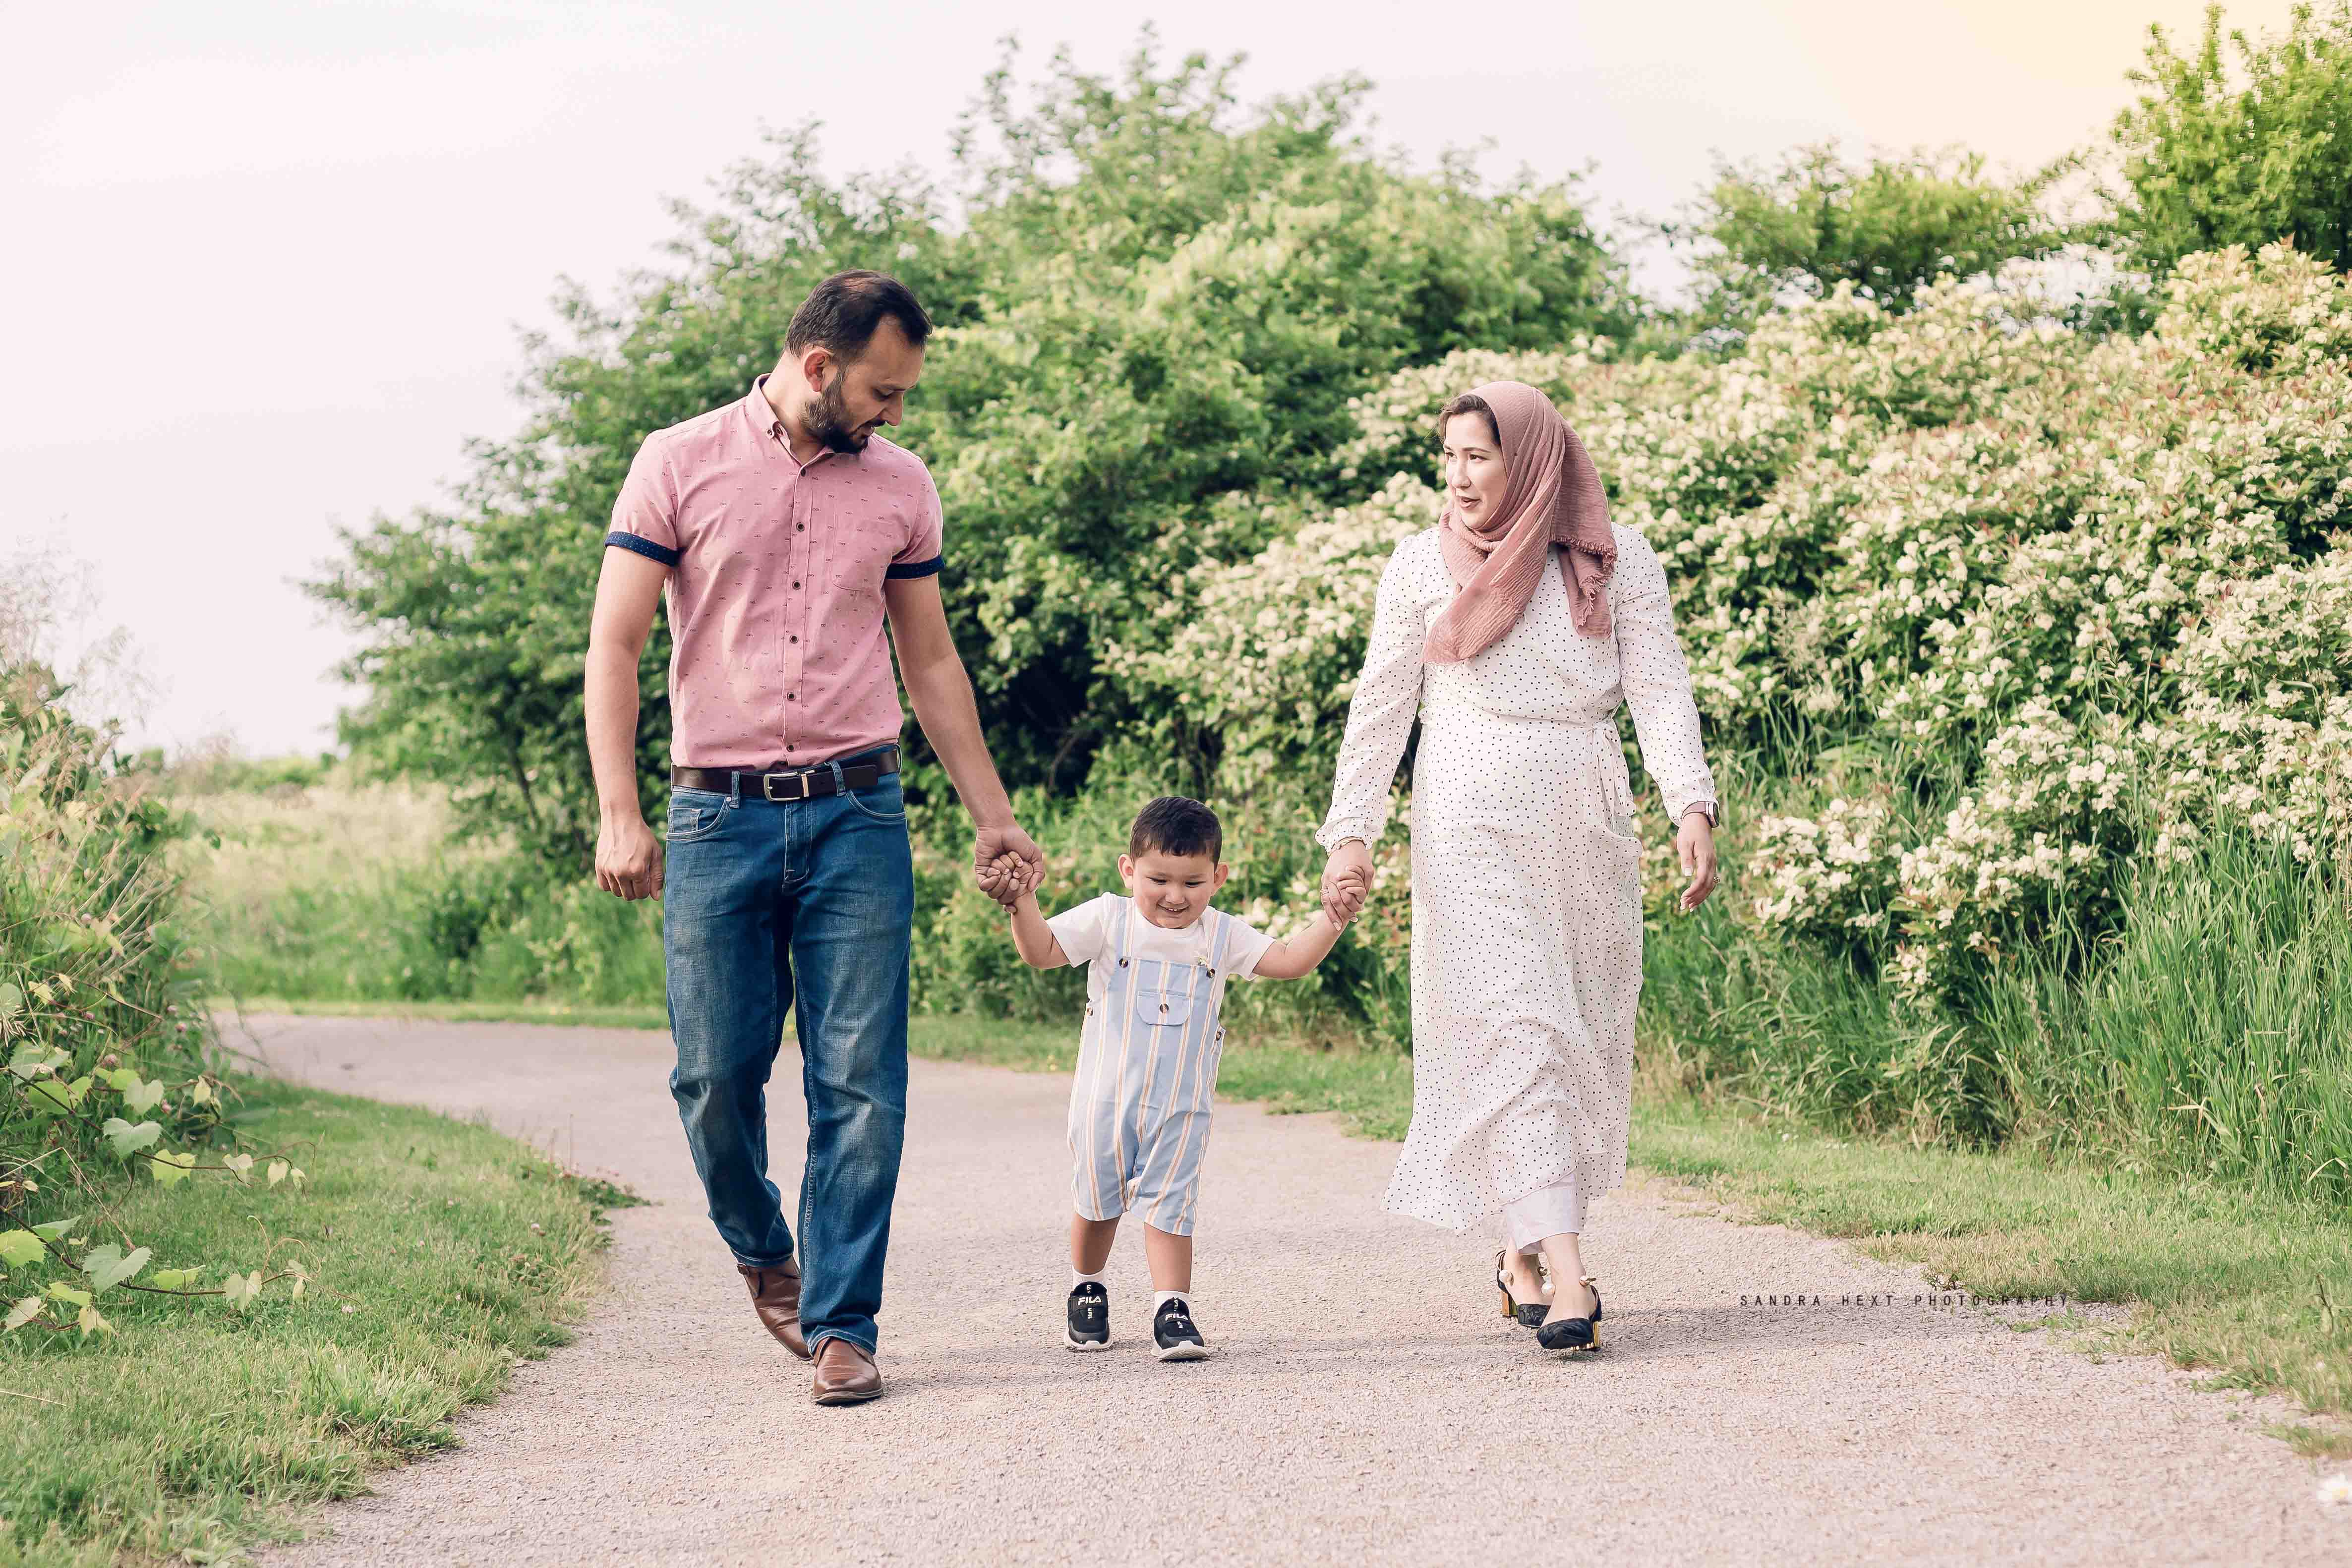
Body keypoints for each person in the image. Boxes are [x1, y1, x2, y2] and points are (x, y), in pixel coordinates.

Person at [584, 270, 1044, 1406]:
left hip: (857, 812)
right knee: (712, 1076)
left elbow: (929, 661)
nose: (898, 413)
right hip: (715, 815)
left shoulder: (902, 487)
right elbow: (616, 645)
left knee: (861, 1082)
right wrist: (618, 808)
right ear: (820, 366)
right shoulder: (676, 459)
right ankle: (757, 1241)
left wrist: (994, 814)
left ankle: (843, 1322)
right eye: (885, 391)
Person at [1315, 380, 1721, 1355]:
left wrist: (1689, 801)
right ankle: (1572, 1278)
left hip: (1582, 814)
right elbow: (1381, 708)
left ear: (1530, 459)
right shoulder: (1419, 565)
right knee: (1518, 1023)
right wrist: (1351, 830)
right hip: (1464, 815)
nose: (1457, 476)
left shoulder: (1611, 562)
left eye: (1478, 456)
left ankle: (1521, 1251)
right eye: (1448, 456)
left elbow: (1660, 692)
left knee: (1560, 1032)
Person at [1004, 796, 1348, 1361]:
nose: (1174, 895)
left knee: (1173, 1205)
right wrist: (1022, 901)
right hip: (1105, 1102)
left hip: (1181, 1106)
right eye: (1158, 878)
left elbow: (1289, 959)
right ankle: (1086, 1287)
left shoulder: (1220, 935)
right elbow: (1041, 951)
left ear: (1218, 877)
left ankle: (1173, 1307)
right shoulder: (1109, 920)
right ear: (1128, 869)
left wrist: (1334, 916)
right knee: (1097, 1202)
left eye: (1192, 882)